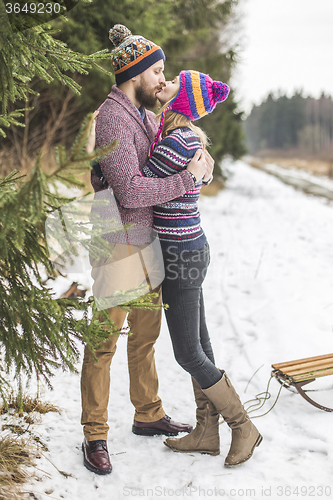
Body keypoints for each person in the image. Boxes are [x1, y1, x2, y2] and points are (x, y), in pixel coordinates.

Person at [81, 25, 209, 476]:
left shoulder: (146, 114)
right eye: (157, 71)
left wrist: (201, 166)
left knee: (145, 335)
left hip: (147, 239)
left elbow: (174, 156)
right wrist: (186, 180)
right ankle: (94, 433)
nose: (163, 79)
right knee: (103, 343)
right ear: (134, 74)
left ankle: (148, 413)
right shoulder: (113, 117)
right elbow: (132, 191)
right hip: (116, 240)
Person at [141, 70, 263, 468]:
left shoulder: (178, 142)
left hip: (181, 254)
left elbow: (138, 186)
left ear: (183, 102)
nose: (165, 84)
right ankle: (206, 432)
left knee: (188, 352)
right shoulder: (181, 137)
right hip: (188, 249)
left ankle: (242, 426)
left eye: (173, 84)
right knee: (201, 344)